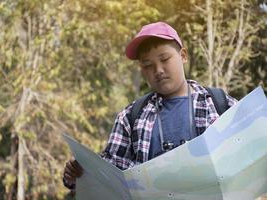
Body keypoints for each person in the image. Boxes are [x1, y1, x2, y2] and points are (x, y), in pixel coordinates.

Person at [63, 21, 237, 191]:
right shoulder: (130, 117)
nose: (158, 70)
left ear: (183, 56)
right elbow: (110, 174)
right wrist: (79, 174)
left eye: (165, 59)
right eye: (148, 65)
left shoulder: (218, 102)